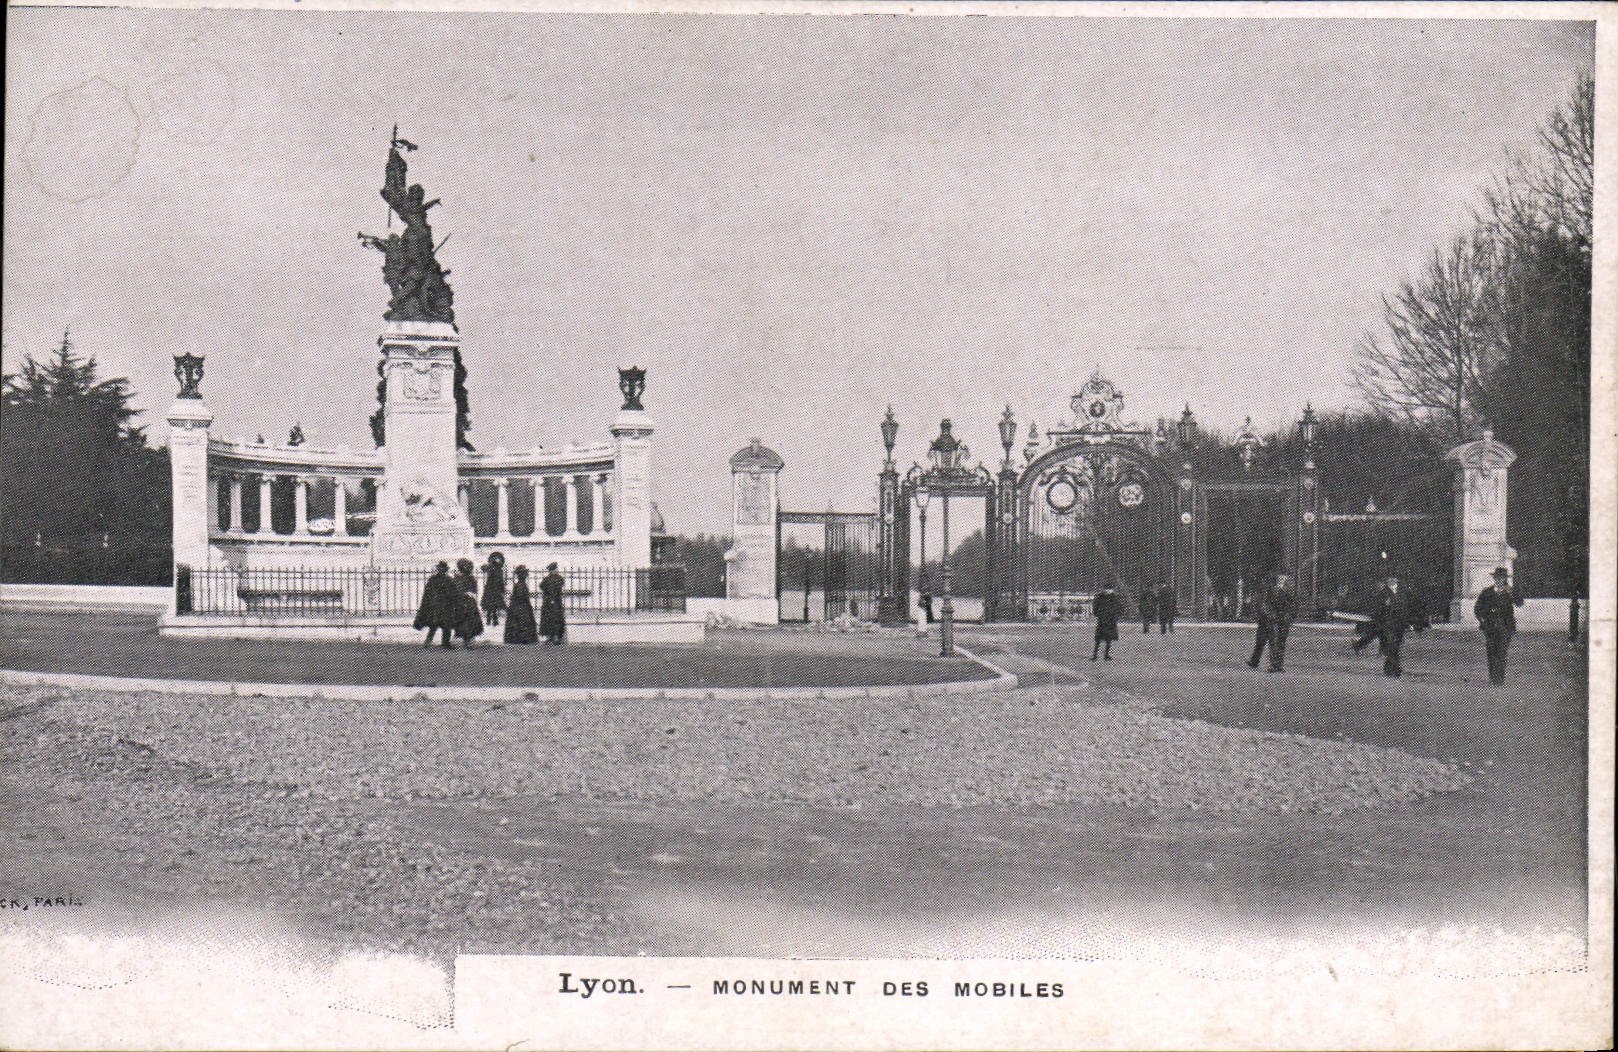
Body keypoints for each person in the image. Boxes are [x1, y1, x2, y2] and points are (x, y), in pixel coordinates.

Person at [1474, 566, 1525, 685]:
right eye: (1497, 578)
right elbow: (1478, 608)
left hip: (1505, 626)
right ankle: (1492, 676)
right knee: (1491, 651)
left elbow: (1519, 603)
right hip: (1490, 626)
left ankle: (1499, 679)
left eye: (1502, 578)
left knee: (1502, 652)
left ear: (1505, 579)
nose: (1499, 580)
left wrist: (1511, 592)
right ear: (1494, 578)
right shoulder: (1487, 592)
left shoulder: (1509, 592)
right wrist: (1483, 621)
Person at [1371, 574, 1422, 677]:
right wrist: (1385, 606)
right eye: (1390, 579)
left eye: (1394, 579)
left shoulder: (1403, 593)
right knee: (1392, 645)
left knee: (1396, 646)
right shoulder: (1382, 593)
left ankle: (1388, 667)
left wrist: (1410, 623)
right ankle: (1396, 668)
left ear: (1397, 581)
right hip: (1387, 624)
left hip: (1400, 624)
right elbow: (1377, 610)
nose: (1392, 581)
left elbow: (1408, 608)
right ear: (1387, 581)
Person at [1248, 572, 1297, 673]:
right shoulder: (1268, 590)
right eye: (1280, 577)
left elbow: (1293, 605)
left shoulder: (1290, 591)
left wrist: (1288, 617)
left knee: (1280, 642)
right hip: (1270, 620)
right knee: (1268, 641)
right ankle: (1270, 664)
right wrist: (1270, 615)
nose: (1281, 579)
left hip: (1283, 621)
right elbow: (1263, 604)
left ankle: (1277, 665)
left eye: (1284, 577)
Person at [413, 561, 458, 648]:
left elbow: (453, 593)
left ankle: (438, 642)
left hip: (441, 605)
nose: (441, 570)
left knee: (441, 625)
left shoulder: (440, 579)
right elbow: (428, 593)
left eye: (442, 568)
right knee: (437, 624)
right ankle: (435, 642)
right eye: (440, 568)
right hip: (439, 605)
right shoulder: (445, 580)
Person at [451, 557, 484, 647]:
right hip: (463, 602)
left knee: (468, 620)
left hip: (467, 603)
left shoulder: (467, 578)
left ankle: (468, 639)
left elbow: (474, 590)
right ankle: (466, 639)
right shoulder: (459, 578)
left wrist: (469, 593)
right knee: (464, 620)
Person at [504, 564, 538, 645]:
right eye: (525, 574)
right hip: (521, 607)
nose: (526, 576)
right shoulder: (521, 585)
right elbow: (521, 596)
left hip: (518, 607)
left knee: (519, 622)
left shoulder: (519, 584)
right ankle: (522, 638)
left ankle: (520, 638)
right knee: (522, 622)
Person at [1090, 581, 1123, 661]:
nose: (1108, 591)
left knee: (1108, 639)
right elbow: (1095, 608)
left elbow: (1120, 608)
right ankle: (1095, 655)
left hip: (1110, 621)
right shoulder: (1101, 597)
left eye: (1109, 589)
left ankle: (1106, 655)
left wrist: (1116, 616)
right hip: (1103, 621)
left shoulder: (1114, 598)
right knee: (1099, 639)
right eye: (1107, 589)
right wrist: (1099, 615)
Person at [539, 562, 567, 645]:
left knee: (551, 619)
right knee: (555, 619)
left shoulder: (548, 579)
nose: (556, 571)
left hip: (550, 602)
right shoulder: (558, 579)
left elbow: (542, 587)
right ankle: (554, 637)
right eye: (555, 569)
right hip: (554, 602)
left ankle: (553, 637)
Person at [481, 551, 507, 627]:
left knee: (495, 606)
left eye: (499, 559)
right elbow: (483, 568)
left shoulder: (499, 569)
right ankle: (489, 619)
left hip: (496, 589)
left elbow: (501, 580)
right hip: (490, 589)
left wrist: (502, 589)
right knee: (490, 605)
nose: (498, 560)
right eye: (496, 559)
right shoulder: (491, 568)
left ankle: (495, 620)